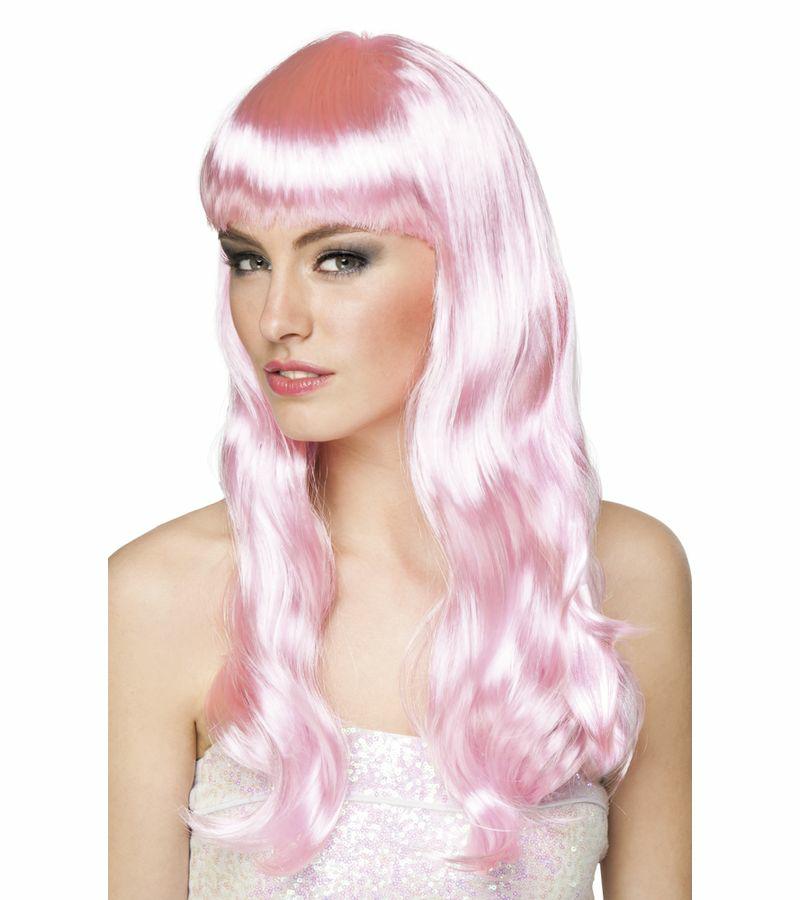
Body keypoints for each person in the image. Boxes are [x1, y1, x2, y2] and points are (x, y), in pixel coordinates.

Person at [109, 30, 691, 899]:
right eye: (248, 260)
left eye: (339, 258)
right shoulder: (155, 596)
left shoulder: (618, 575)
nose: (277, 317)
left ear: (472, 268)